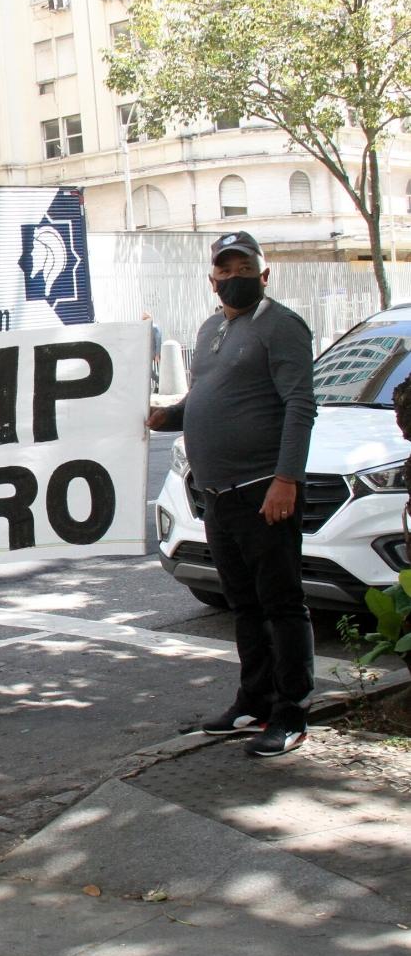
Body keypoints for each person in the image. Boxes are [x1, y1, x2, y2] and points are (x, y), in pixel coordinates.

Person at [146, 231, 317, 757]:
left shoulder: (282, 326)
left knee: (281, 604)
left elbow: (300, 406)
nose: (235, 277)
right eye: (226, 270)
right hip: (216, 495)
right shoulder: (210, 328)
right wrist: (166, 417)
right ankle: (254, 701)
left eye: (245, 269)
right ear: (212, 279)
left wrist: (286, 479)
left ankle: (291, 712)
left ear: (265, 275)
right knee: (243, 604)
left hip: (263, 491)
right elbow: (205, 397)